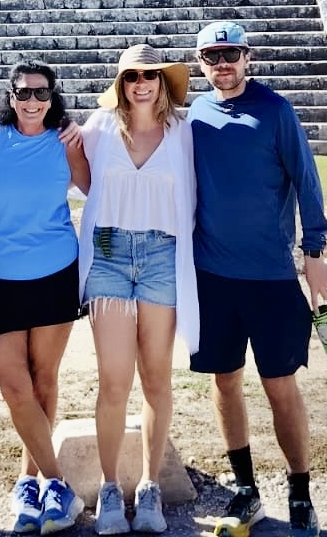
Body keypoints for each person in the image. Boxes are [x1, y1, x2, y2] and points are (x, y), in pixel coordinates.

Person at [187, 21, 327, 537]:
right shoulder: (193, 116)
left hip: (271, 276)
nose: (222, 64)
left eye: (230, 54)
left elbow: (306, 178)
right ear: (201, 63)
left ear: (247, 58)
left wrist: (313, 249)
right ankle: (245, 488)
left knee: (280, 386)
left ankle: (300, 490)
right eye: (212, 56)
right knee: (224, 382)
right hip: (212, 277)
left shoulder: (276, 111)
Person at [72, 44, 198, 535]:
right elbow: (83, 181)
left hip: (163, 258)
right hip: (109, 254)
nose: (141, 83)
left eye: (150, 75)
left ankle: (148, 487)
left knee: (157, 378)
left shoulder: (183, 133)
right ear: (121, 85)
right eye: (131, 77)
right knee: (113, 380)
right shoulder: (99, 128)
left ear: (162, 83)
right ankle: (108, 487)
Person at [0, 61, 88, 534]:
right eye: (23, 93)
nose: (32, 102)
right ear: (11, 94)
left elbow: (95, 187)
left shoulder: (66, 142)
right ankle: (59, 484)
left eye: (41, 94)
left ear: (53, 95)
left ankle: (29, 482)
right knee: (13, 386)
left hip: (55, 271)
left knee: (44, 379)